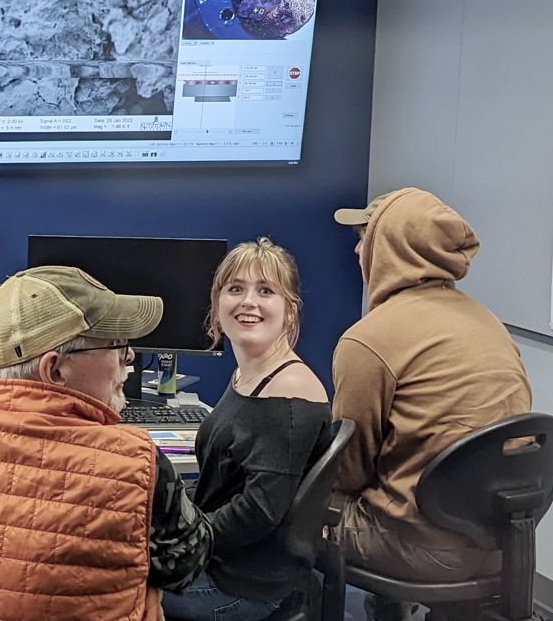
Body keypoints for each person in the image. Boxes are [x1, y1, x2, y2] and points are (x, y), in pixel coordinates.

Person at [0, 266, 211, 621]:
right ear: (55, 370)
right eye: (116, 344)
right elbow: (186, 566)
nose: (129, 356)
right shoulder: (132, 460)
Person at [332, 188, 532, 621]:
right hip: (506, 545)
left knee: (297, 506)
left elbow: (347, 470)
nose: (357, 248)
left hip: (420, 552)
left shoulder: (370, 339)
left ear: (391, 247)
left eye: (365, 235)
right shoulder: (490, 325)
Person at [162, 238, 332, 621]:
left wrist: (181, 544)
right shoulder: (247, 375)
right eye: (235, 288)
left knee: (102, 586)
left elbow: (257, 511)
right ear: (217, 303)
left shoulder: (289, 394)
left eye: (266, 291)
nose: (248, 302)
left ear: (290, 310)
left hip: (243, 587)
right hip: (225, 563)